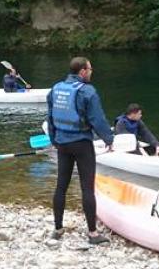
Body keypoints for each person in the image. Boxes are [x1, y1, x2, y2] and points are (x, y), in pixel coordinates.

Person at [47, 57, 114, 245]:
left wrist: (55, 141)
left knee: (61, 186)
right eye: (90, 69)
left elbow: (50, 118)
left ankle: (58, 229)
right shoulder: (87, 91)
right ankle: (92, 234)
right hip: (82, 144)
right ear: (82, 71)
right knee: (87, 188)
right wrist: (109, 140)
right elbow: (97, 120)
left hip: (62, 144)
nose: (92, 72)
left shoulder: (56, 88)